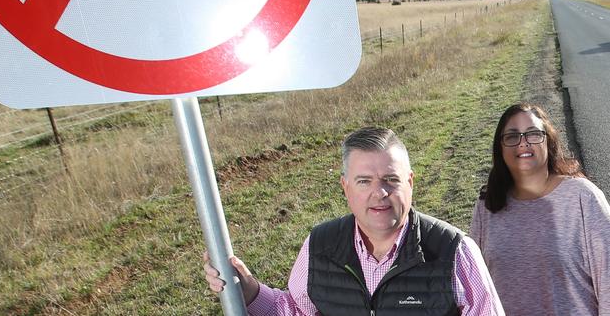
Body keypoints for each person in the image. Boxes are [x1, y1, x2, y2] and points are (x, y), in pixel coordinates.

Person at [204, 126, 504, 315]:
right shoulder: (319, 245)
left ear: (410, 182)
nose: (380, 193)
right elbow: (295, 310)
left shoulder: (455, 251)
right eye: (364, 181)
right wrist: (249, 291)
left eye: (391, 179)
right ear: (345, 187)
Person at [470, 102, 610, 315]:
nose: (523, 143)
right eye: (512, 136)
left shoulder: (583, 197)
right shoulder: (487, 204)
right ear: (500, 148)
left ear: (549, 141)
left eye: (533, 134)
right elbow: (475, 286)